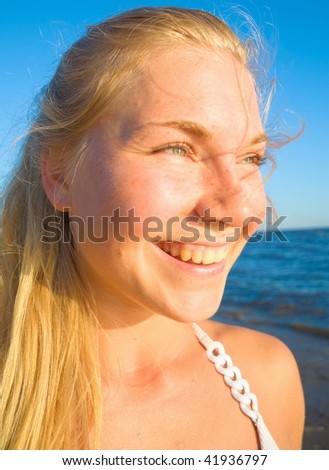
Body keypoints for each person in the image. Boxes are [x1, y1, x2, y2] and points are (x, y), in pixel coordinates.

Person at [0, 6, 304, 450]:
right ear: (60, 173)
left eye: (250, 158)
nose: (238, 208)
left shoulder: (270, 376)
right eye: (177, 148)